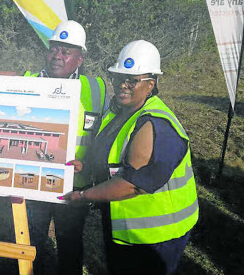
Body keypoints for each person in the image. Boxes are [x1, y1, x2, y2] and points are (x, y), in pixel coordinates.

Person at [61, 40, 199, 275]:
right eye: (118, 78)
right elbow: (111, 156)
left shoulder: (154, 123)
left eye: (132, 80)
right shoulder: (119, 111)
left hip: (154, 235)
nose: (122, 85)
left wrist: (84, 196)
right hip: (123, 225)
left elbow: (134, 185)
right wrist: (85, 167)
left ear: (150, 84)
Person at [24, 20, 108, 275]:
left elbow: (104, 136)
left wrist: (92, 167)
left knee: (70, 244)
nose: (57, 56)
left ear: (80, 58)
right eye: (53, 49)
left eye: (65, 51)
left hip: (75, 187)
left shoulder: (96, 89)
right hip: (34, 183)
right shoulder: (27, 81)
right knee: (32, 241)